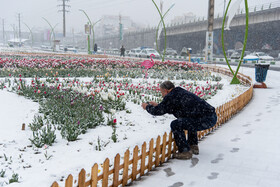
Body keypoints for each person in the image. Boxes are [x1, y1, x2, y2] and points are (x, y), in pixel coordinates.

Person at [141, 81, 217, 160]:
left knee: (176, 124)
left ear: (165, 91)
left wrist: (147, 107)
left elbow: (157, 111)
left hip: (206, 120)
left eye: (161, 92)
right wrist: (158, 105)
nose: (162, 94)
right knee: (189, 119)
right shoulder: (179, 92)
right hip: (211, 116)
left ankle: (185, 152)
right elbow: (171, 107)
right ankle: (193, 146)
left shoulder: (171, 96)